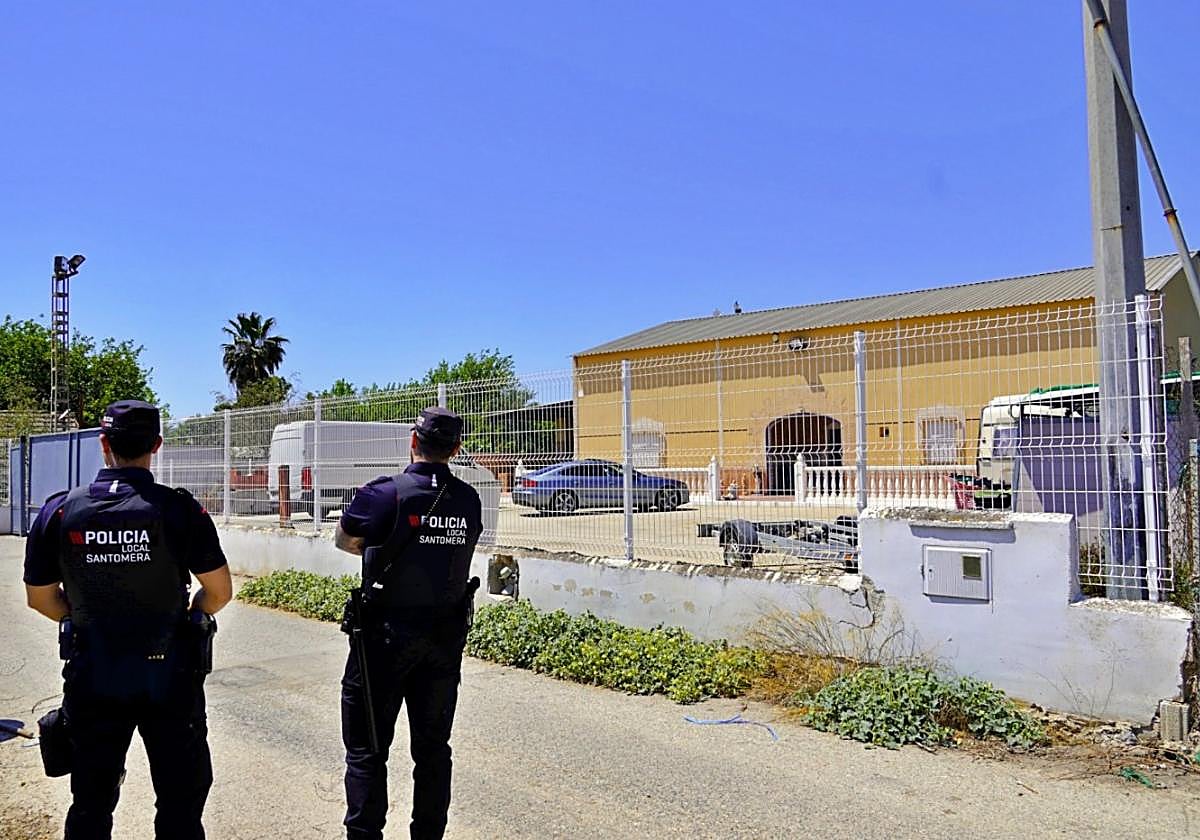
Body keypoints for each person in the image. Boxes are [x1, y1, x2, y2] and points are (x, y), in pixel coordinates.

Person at [23, 399, 232, 840]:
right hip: (170, 676)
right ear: (156, 444)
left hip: (94, 673)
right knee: (180, 803)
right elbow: (218, 592)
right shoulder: (178, 510)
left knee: (91, 803)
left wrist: (84, 617)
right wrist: (191, 614)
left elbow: (39, 599)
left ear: (103, 444)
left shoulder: (61, 511)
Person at [335, 406, 483, 840]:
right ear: (456, 449)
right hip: (442, 640)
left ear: (412, 441)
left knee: (367, 751)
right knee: (433, 751)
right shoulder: (468, 499)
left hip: (382, 641)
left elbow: (346, 542)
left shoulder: (384, 493)